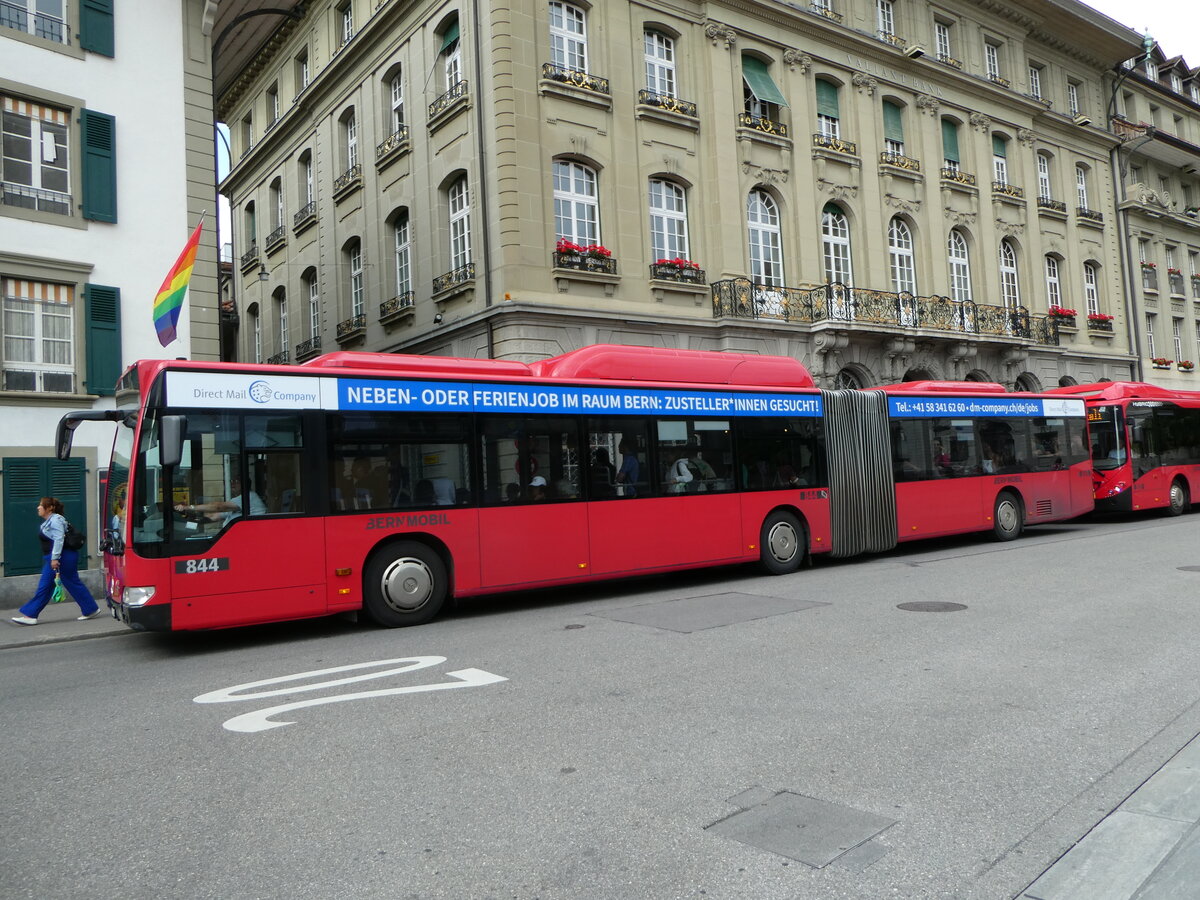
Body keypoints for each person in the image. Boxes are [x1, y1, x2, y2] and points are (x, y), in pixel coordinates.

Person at [12, 497, 101, 625]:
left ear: (49, 508)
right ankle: (30, 615)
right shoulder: (51, 521)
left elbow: (59, 539)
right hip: (57, 558)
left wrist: (55, 558)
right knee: (46, 586)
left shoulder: (56, 520)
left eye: (41, 505)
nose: (38, 507)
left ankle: (91, 609)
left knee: (71, 582)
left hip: (62, 557)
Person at [176, 475, 266, 525]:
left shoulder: (248, 497)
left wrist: (188, 507)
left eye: (236, 481)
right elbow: (213, 517)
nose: (232, 484)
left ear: (245, 484)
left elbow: (218, 507)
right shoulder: (237, 502)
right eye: (232, 481)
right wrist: (190, 520)